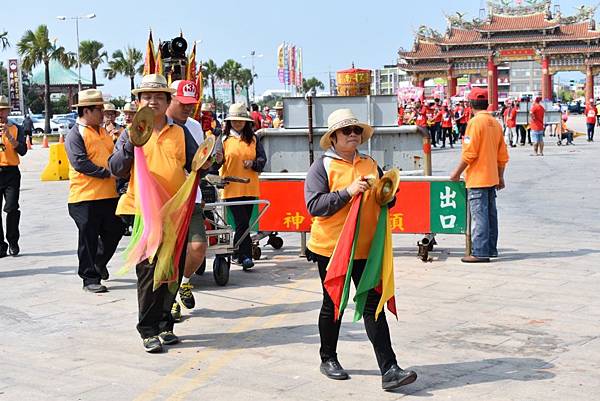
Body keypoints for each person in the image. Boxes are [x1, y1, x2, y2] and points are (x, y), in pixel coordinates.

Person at [304, 108, 417, 390]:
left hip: (367, 248)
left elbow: (385, 200)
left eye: (356, 130)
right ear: (334, 138)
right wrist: (347, 191)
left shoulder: (370, 162)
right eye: (347, 131)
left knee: (372, 306)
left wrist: (387, 194)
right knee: (333, 304)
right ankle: (327, 357)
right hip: (332, 248)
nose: (353, 134)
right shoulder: (322, 167)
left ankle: (390, 369)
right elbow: (314, 205)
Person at [109, 74, 201, 353]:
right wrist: (132, 141)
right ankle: (147, 329)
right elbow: (115, 167)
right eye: (146, 96)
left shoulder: (180, 132)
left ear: (167, 101)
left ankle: (165, 325)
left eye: (158, 96)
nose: (152, 101)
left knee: (172, 269)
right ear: (138, 102)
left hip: (176, 212)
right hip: (144, 212)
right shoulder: (130, 132)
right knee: (149, 271)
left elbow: (197, 164)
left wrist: (211, 160)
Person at [64, 89, 124, 292]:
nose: (103, 114)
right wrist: (107, 174)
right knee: (88, 237)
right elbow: (80, 163)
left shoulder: (103, 131)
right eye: (99, 110)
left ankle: (98, 263)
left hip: (108, 194)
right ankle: (89, 278)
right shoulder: (75, 134)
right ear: (86, 111)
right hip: (84, 196)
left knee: (115, 230)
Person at [449, 88, 509, 263]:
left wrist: (456, 173)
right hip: (491, 177)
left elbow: (470, 154)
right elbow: (502, 155)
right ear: (487, 103)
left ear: (470, 104)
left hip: (477, 177)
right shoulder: (495, 123)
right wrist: (501, 176)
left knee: (480, 215)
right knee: (491, 215)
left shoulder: (475, 123)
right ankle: (490, 248)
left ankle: (480, 252)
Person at [165, 79, 208, 317]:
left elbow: (199, 160)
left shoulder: (193, 126)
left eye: (191, 104)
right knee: (170, 253)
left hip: (192, 197)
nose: (187, 109)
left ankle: (184, 283)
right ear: (169, 99)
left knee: (198, 246)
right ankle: (169, 300)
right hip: (165, 201)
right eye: (182, 103)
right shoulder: (159, 126)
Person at [214, 103, 266, 270]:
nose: (238, 123)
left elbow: (262, 161)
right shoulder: (222, 139)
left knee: (245, 223)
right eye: (234, 120)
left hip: (250, 187)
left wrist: (253, 163)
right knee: (241, 222)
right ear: (230, 122)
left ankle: (238, 253)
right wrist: (218, 159)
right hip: (231, 187)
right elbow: (214, 164)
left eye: (241, 120)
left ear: (246, 122)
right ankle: (244, 256)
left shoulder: (253, 139)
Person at [0, 95, 27, 257]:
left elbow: (23, 151)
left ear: (8, 111)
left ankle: (13, 241)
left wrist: (9, 137)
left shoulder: (16, 128)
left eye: (4, 110)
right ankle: (0, 245)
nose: (1, 114)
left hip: (11, 172)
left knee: (11, 208)